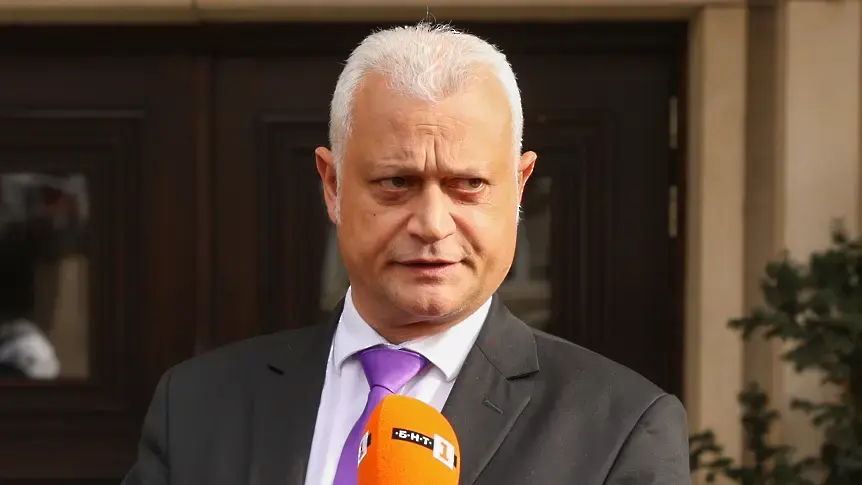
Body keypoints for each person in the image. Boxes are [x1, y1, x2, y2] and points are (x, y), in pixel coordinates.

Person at [121, 22, 691, 485]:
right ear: (332, 185)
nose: (432, 224)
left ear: (519, 188)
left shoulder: (620, 427)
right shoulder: (197, 404)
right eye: (396, 183)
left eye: (469, 184)